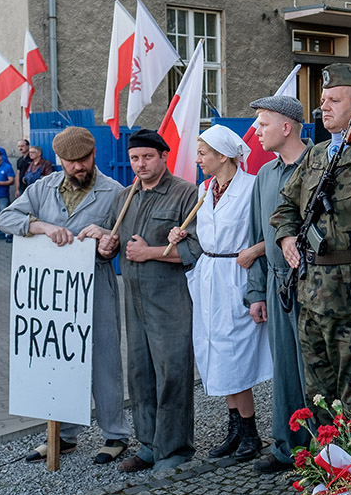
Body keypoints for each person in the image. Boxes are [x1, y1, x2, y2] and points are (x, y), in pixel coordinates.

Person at [271, 63, 351, 420]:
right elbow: (285, 206)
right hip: (311, 297)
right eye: (323, 100)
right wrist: (286, 239)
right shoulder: (315, 156)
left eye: (334, 100)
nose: (323, 107)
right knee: (319, 400)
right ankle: (330, 473)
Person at [0, 126, 133, 465]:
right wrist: (42, 227)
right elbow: (6, 217)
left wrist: (108, 239)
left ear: (94, 155)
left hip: (96, 282)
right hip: (53, 290)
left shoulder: (114, 191)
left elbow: (126, 237)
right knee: (58, 358)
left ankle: (115, 434)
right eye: (71, 161)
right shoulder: (42, 187)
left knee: (104, 358)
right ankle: (63, 435)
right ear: (59, 159)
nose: (78, 167)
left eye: (84, 160)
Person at [94, 129, 200, 473]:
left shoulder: (185, 194)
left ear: (163, 156)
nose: (140, 164)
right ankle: (149, 446)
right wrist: (105, 247)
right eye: (135, 158)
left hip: (171, 301)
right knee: (140, 373)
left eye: (148, 157)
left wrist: (148, 252)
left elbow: (195, 249)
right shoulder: (125, 196)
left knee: (173, 372)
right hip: (134, 301)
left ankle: (176, 449)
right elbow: (112, 239)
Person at [167, 125, 271, 462]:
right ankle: (235, 430)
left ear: (222, 156)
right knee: (214, 354)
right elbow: (205, 236)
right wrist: (183, 237)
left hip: (235, 277)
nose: (197, 160)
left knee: (235, 355)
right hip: (210, 277)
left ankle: (250, 433)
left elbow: (276, 232)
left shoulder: (253, 188)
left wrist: (254, 251)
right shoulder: (205, 189)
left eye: (202, 153)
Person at [244, 95, 313, 474]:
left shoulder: (320, 168)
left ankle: (324, 450)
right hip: (275, 282)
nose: (255, 130)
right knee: (284, 368)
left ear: (286, 127)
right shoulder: (265, 176)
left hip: (312, 284)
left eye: (263, 124)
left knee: (312, 370)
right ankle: (288, 447)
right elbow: (258, 235)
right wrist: (257, 292)